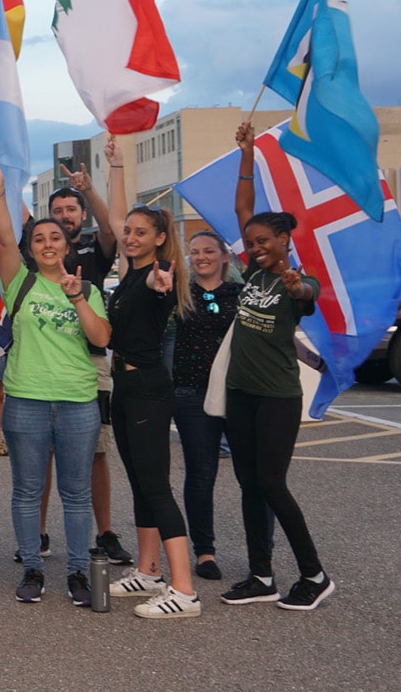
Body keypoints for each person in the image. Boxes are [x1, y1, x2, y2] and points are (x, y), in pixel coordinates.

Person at [219, 121, 335, 611]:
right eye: (252, 241)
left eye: (265, 240)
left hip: (277, 398)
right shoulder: (251, 270)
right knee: (249, 484)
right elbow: (244, 209)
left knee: (271, 483)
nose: (256, 245)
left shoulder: (295, 279)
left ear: (285, 239)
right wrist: (246, 153)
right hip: (241, 393)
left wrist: (296, 285)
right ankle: (261, 575)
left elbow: (307, 297)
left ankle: (314, 573)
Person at [0, 160, 111, 607]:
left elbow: (101, 339)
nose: (47, 244)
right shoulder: (18, 282)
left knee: (75, 494)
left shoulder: (88, 289)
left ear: (67, 243)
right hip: (26, 401)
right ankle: (34, 569)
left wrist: (77, 297)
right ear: (31, 247)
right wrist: (0, 193)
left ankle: (78, 572)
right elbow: (4, 237)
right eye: (38, 238)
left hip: (78, 402)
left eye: (54, 237)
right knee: (26, 489)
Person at [95, 164, 202, 619]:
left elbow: (163, 290)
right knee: (139, 482)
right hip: (126, 385)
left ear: (160, 238)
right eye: (129, 232)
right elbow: (118, 216)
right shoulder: (130, 274)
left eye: (142, 232)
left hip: (148, 388)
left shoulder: (160, 277)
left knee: (156, 486)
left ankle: (185, 591)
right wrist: (115, 169)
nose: (131, 236)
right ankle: (149, 570)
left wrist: (162, 285)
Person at [31, 162, 132, 566]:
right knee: (43, 455)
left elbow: (112, 230)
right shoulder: (37, 252)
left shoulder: (94, 247)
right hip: (45, 361)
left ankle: (104, 532)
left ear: (81, 215)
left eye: (71, 210)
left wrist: (89, 188)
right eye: (58, 211)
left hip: (91, 362)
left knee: (96, 452)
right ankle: (37, 534)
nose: (64, 216)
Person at [169, 231, 250, 582]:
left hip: (238, 393)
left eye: (208, 251)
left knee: (253, 476)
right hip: (192, 394)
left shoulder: (242, 294)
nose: (201, 257)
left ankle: (261, 555)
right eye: (194, 252)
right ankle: (204, 552)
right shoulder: (179, 295)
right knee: (201, 475)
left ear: (224, 258)